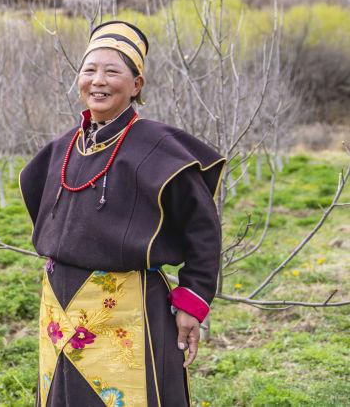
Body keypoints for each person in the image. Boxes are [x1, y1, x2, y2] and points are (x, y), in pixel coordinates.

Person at [19, 20, 224, 407]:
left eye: (112, 71)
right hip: (59, 310)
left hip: (129, 311)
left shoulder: (161, 149)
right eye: (89, 70)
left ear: (136, 85)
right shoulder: (62, 148)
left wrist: (191, 300)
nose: (98, 80)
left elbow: (203, 228)